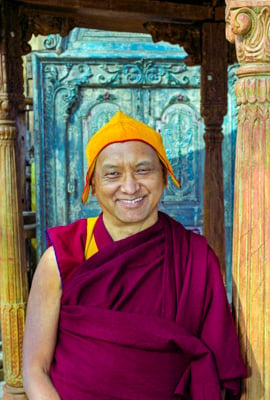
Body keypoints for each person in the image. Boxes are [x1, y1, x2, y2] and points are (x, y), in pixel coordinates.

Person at [23, 110, 246, 400]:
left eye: (144, 170)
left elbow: (217, 366)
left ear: (166, 178)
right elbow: (35, 369)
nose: (130, 187)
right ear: (92, 185)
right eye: (112, 173)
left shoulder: (195, 258)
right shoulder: (63, 258)